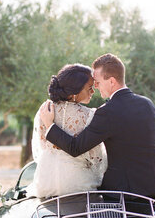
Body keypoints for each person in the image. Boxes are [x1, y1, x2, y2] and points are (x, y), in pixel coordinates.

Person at [40, 53, 155, 198]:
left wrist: (49, 125)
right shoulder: (147, 104)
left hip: (123, 191)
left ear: (111, 81)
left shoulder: (107, 112)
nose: (95, 87)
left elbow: (75, 147)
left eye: (97, 82)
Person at [30, 64, 107, 198]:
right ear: (74, 92)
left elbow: (42, 146)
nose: (93, 92)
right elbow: (97, 157)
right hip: (77, 183)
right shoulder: (89, 115)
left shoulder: (45, 110)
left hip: (46, 181)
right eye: (90, 88)